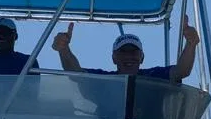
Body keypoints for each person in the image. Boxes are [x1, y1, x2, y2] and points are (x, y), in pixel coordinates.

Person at [52, 16, 199, 83]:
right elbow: (76, 73)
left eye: (134, 52)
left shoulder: (154, 76)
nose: (129, 56)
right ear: (114, 58)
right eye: (123, 52)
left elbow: (182, 71)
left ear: (142, 57)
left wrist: (191, 44)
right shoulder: (104, 80)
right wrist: (63, 49)